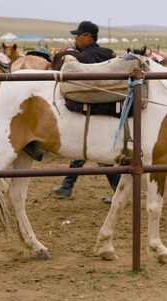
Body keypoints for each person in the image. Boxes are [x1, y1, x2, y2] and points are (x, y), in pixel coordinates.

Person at [51, 21, 120, 202]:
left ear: (88, 37)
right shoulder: (107, 53)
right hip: (111, 108)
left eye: (78, 35)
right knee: (87, 149)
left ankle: (118, 192)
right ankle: (67, 186)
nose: (75, 39)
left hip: (93, 109)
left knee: (91, 149)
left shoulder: (86, 57)